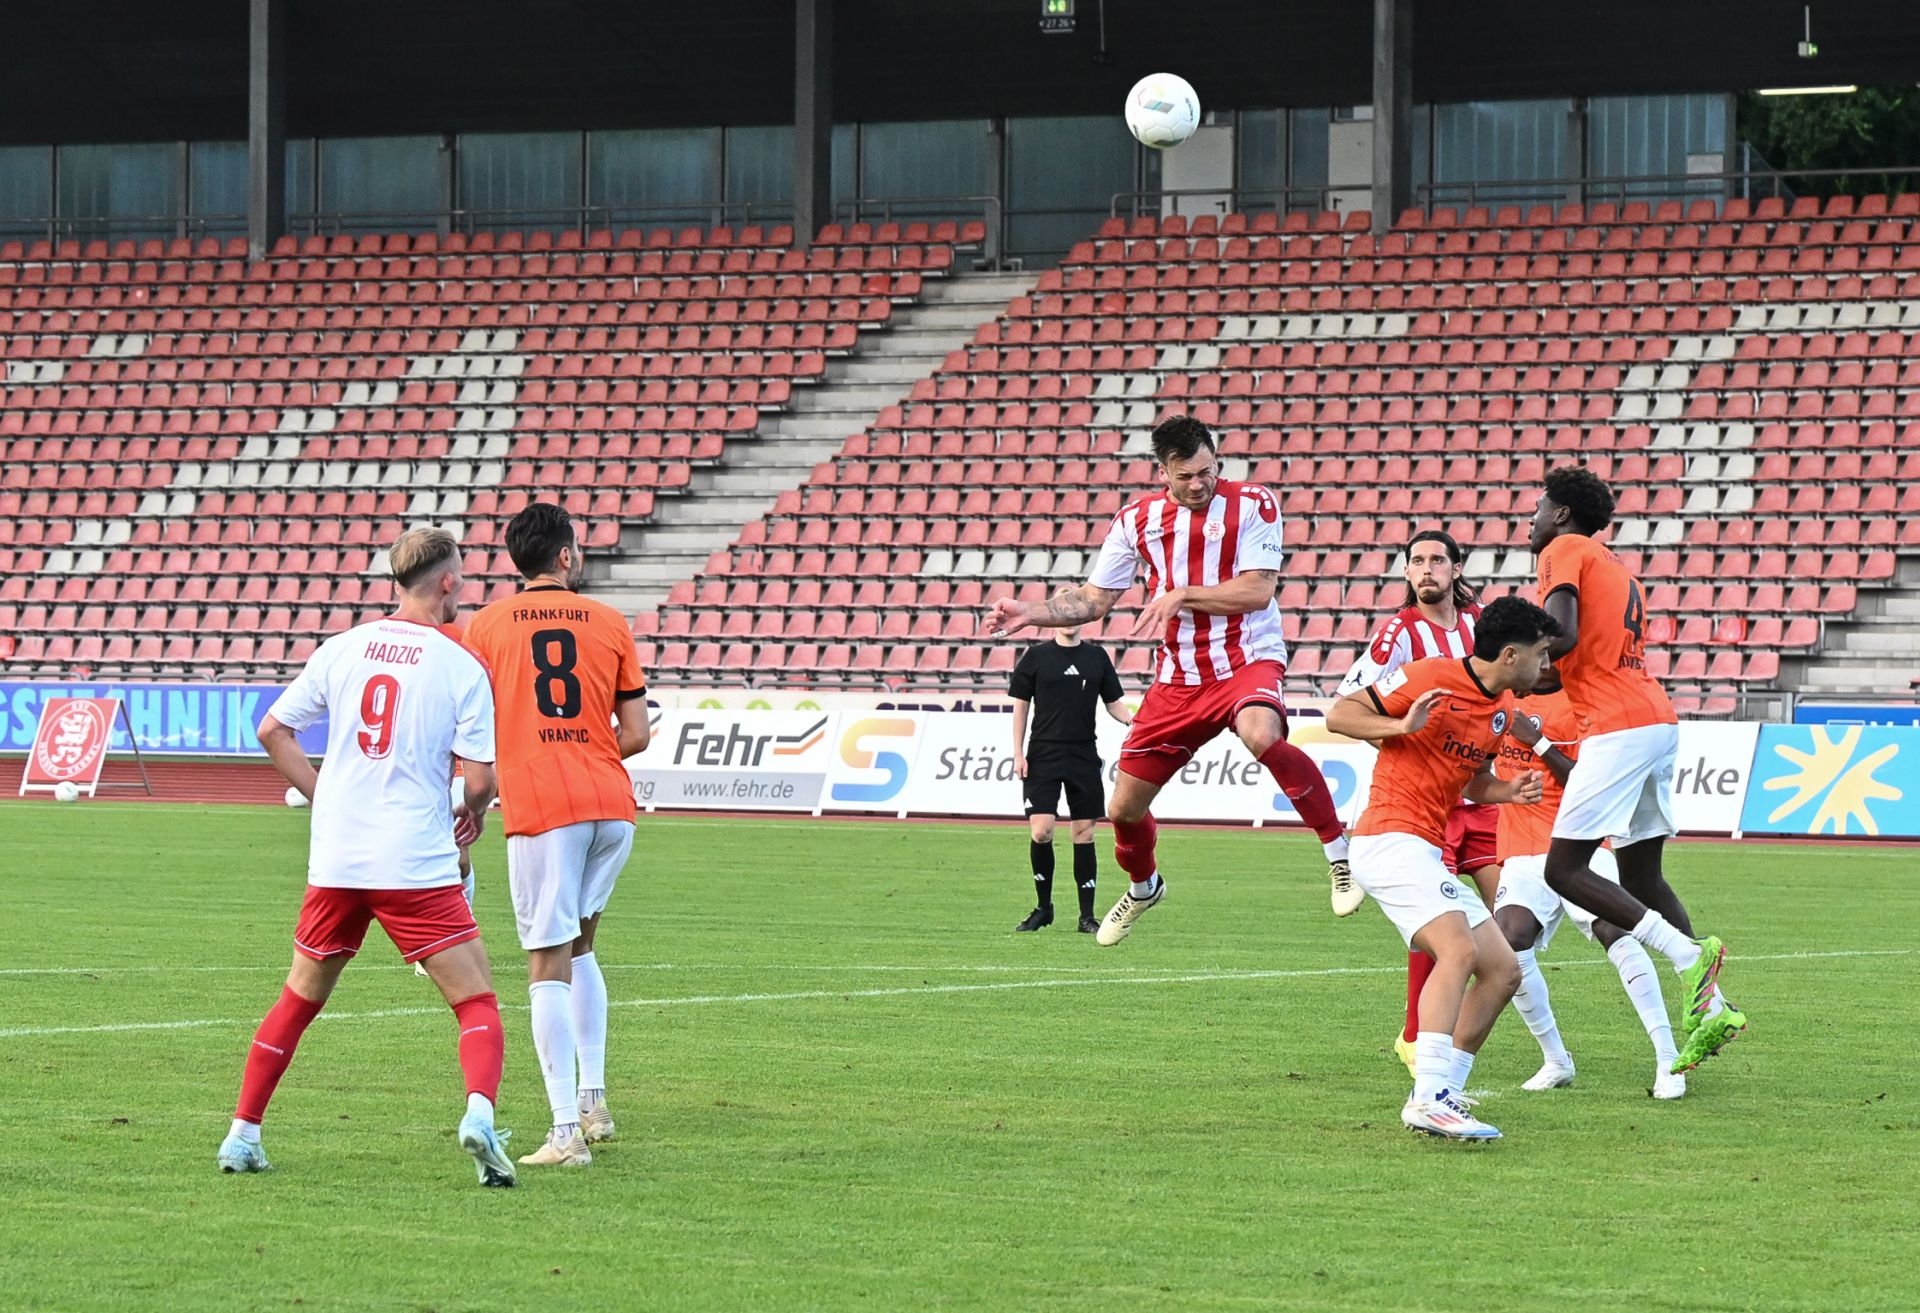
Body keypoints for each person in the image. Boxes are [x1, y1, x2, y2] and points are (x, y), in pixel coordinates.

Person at [219, 527, 515, 1187]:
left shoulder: (342, 647)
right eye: (461, 579)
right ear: (447, 582)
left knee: (298, 997)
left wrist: (324, 795)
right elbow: (480, 780)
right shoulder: (460, 664)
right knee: (476, 1001)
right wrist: (471, 811)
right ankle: (480, 1116)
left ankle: (243, 1133)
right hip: (413, 859)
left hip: (339, 858)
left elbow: (272, 729)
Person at [985, 415, 1350, 946]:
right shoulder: (1136, 520)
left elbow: (1257, 591)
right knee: (1122, 809)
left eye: (1207, 471)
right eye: (1186, 476)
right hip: (1178, 677)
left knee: (1261, 733)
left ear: (1216, 460)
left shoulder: (1254, 503)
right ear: (1163, 473)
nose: (1199, 483)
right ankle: (1144, 887)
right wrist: (1031, 612)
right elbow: (1093, 600)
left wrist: (1182, 594)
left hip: (1246, 658)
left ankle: (1338, 852)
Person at [1529, 466, 1744, 1074]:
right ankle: (1714, 1008)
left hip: (1616, 726)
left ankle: (1688, 955)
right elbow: (1576, 659)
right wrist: (1523, 676)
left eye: (1538, 508)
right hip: (1655, 718)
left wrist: (1512, 656)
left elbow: (1562, 636)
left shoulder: (1562, 549)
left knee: (1563, 870)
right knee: (1642, 877)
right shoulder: (1618, 568)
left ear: (1562, 514)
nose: (1532, 520)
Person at [1324, 596, 1558, 1140]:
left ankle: (1444, 1090)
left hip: (1422, 848)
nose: (1546, 666)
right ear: (1509, 655)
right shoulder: (1431, 676)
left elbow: (1472, 782)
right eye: (1541, 654)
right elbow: (1339, 714)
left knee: (1503, 970)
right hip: (1389, 838)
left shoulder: (1501, 709)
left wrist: (1507, 792)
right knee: (1459, 951)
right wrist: (1401, 725)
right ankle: (1428, 1097)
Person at [464, 501, 651, 1168]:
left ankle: (565, 1133)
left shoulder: (485, 627)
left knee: (546, 963)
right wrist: (585, 752)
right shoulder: (609, 620)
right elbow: (636, 733)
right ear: (565, 555)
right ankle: (594, 1102)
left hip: (544, 807)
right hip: (611, 804)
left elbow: (471, 725)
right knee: (580, 947)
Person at [1335, 529, 1497, 1072]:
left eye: (1437, 560)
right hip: (1426, 806)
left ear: (1456, 568)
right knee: (1440, 918)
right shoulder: (1399, 635)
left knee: (1509, 926)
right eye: (1417, 561)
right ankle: (1418, 1037)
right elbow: (1348, 707)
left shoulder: (1482, 625)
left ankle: (1535, 1052)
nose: (1427, 569)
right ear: (1407, 572)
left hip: (1480, 794)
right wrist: (1405, 739)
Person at [1490, 682, 1687, 1100]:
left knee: (1615, 930)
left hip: (1576, 845)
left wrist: (1538, 741)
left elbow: (1590, 781)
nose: (1541, 662)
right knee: (1511, 943)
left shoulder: (1579, 706)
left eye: (1545, 654)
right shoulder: (1501, 700)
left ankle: (1669, 1059)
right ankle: (1556, 1060)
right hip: (1520, 849)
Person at [1009, 586, 1133, 934]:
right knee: (1041, 831)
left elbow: (1113, 702)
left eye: (1074, 606)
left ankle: (1086, 917)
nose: (1069, 614)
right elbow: (1021, 706)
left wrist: (1132, 720)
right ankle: (1043, 908)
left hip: (1083, 755)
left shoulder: (1097, 657)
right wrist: (1018, 752)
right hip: (1043, 754)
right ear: (1052, 612)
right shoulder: (1035, 657)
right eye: (1062, 607)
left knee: (1084, 833)